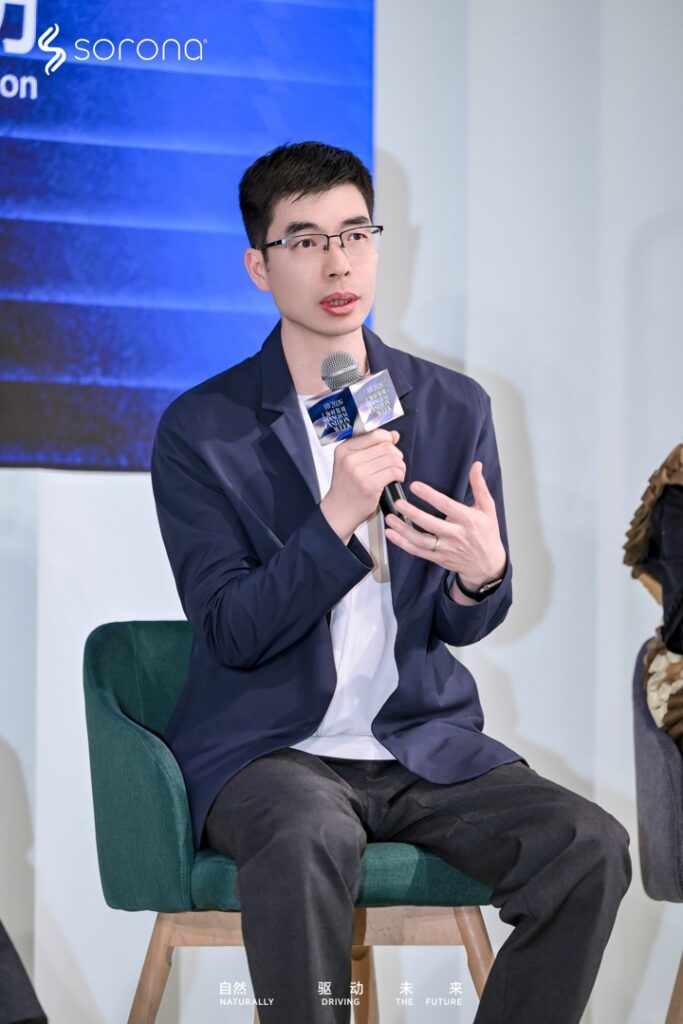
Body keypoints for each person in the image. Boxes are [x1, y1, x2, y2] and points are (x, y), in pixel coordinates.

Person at [150, 140, 631, 1024]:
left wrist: (482, 578)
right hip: (269, 751)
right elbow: (229, 631)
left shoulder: (450, 406)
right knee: (306, 834)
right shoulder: (202, 429)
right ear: (259, 266)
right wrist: (334, 516)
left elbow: (460, 622)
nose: (337, 263)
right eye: (304, 241)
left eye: (354, 234)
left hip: (417, 743)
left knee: (588, 846)